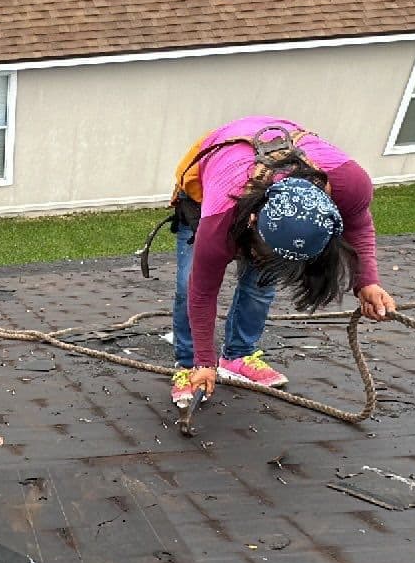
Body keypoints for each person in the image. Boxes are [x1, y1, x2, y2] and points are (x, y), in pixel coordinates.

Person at [167, 118, 396, 408]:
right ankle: (189, 367)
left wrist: (367, 280)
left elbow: (359, 223)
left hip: (275, 163)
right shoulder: (218, 221)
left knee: (261, 281)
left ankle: (236, 356)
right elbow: (201, 293)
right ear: (252, 221)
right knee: (188, 284)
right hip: (212, 171)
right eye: (262, 253)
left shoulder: (350, 183)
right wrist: (203, 359)